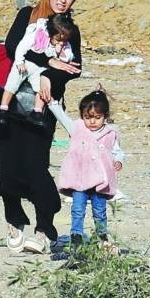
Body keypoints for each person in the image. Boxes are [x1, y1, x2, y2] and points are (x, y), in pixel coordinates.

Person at [0, 0, 83, 255]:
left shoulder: (70, 29)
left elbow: (74, 69)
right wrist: (49, 62)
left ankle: (45, 229)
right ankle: (14, 219)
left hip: (43, 109)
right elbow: (12, 48)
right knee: (7, 167)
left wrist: (50, 78)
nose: (63, 0)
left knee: (36, 168)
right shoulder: (27, 16)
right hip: (9, 104)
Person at [47, 89, 125, 248]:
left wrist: (118, 160)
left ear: (105, 116)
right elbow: (62, 117)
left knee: (100, 211)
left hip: (100, 181)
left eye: (97, 117)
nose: (92, 122)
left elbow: (117, 151)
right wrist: (52, 103)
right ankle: (76, 235)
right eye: (88, 117)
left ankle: (102, 237)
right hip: (80, 179)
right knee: (77, 209)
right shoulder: (77, 128)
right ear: (82, 116)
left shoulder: (110, 133)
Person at [0, 14, 76, 121]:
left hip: (40, 68)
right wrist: (20, 61)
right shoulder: (39, 35)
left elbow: (68, 57)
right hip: (26, 63)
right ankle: (3, 108)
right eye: (58, 39)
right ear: (51, 33)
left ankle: (37, 111)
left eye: (64, 40)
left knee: (40, 89)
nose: (61, 42)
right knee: (13, 83)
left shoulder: (63, 44)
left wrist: (60, 53)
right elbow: (22, 46)